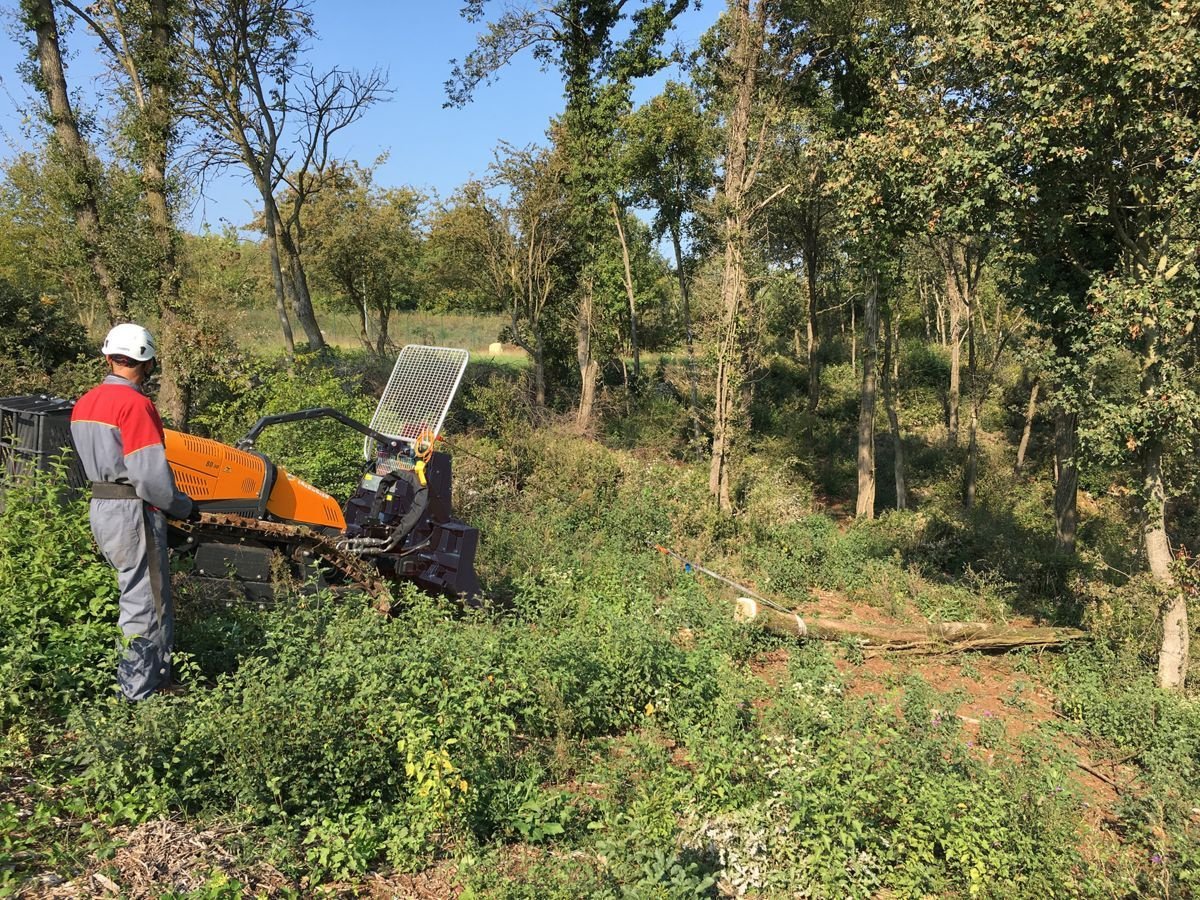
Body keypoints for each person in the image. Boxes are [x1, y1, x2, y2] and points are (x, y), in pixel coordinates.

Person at [70, 323, 198, 701]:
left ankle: (149, 682)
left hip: (101, 506)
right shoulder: (136, 404)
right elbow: (150, 477)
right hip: (132, 510)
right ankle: (142, 694)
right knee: (146, 603)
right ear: (148, 363)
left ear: (109, 358)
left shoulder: (85, 402)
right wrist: (183, 507)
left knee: (133, 593)